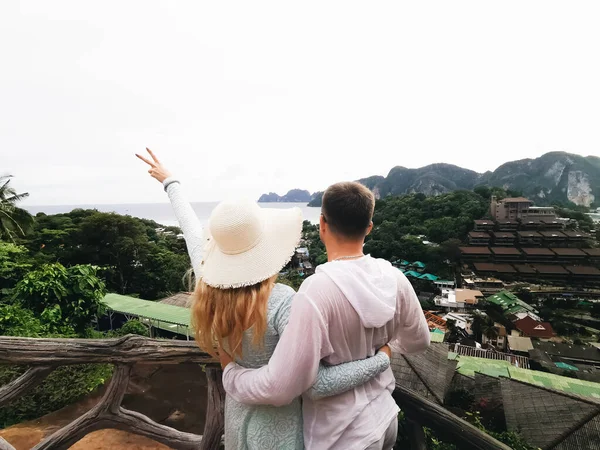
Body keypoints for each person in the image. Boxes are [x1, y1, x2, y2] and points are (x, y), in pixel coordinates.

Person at [136, 149, 393, 450]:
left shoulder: (209, 286)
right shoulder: (285, 302)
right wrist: (382, 358)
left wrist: (171, 183)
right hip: (281, 434)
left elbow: (193, 233)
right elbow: (318, 383)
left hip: (237, 424)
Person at [220, 181, 431, 450]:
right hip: (385, 417)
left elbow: (282, 386)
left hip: (341, 434)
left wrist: (231, 374)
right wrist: (383, 350)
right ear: (369, 227)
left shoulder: (316, 290)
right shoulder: (395, 278)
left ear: (321, 223)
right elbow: (419, 341)